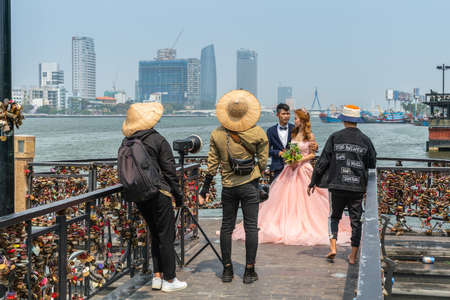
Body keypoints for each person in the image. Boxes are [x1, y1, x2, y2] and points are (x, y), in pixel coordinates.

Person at [233, 109, 351, 246]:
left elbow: (313, 154)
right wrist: (290, 159)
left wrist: (300, 160)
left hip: (304, 169)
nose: (293, 120)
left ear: (302, 120)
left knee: (307, 201)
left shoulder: (310, 136)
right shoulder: (294, 134)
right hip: (290, 169)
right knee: (282, 200)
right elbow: (290, 150)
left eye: (295, 118)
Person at [199, 90, 269, 284]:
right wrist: (255, 172)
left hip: (228, 187)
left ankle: (227, 271)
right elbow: (263, 160)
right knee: (251, 227)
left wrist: (204, 189)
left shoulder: (217, 134)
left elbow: (212, 164)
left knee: (227, 227)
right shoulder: (257, 132)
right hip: (250, 185)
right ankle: (249, 271)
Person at [120, 102, 188, 292]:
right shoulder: (158, 140)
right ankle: (170, 279)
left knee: (155, 234)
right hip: (159, 193)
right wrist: (179, 196)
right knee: (166, 236)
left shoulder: (127, 141)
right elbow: (170, 172)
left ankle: (157, 276)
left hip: (140, 195)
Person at [308, 105, 377, 264]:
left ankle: (333, 247)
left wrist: (313, 182)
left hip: (337, 185)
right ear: (357, 121)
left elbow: (323, 161)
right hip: (357, 186)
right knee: (356, 220)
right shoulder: (365, 140)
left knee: (334, 216)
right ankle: (353, 255)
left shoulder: (335, 137)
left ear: (344, 120)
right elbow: (372, 162)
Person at [266, 103, 294, 183]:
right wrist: (278, 153)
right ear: (277, 115)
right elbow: (266, 151)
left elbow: (300, 146)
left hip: (293, 168)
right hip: (276, 168)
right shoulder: (271, 131)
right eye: (283, 114)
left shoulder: (295, 129)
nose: (286, 116)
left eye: (288, 114)